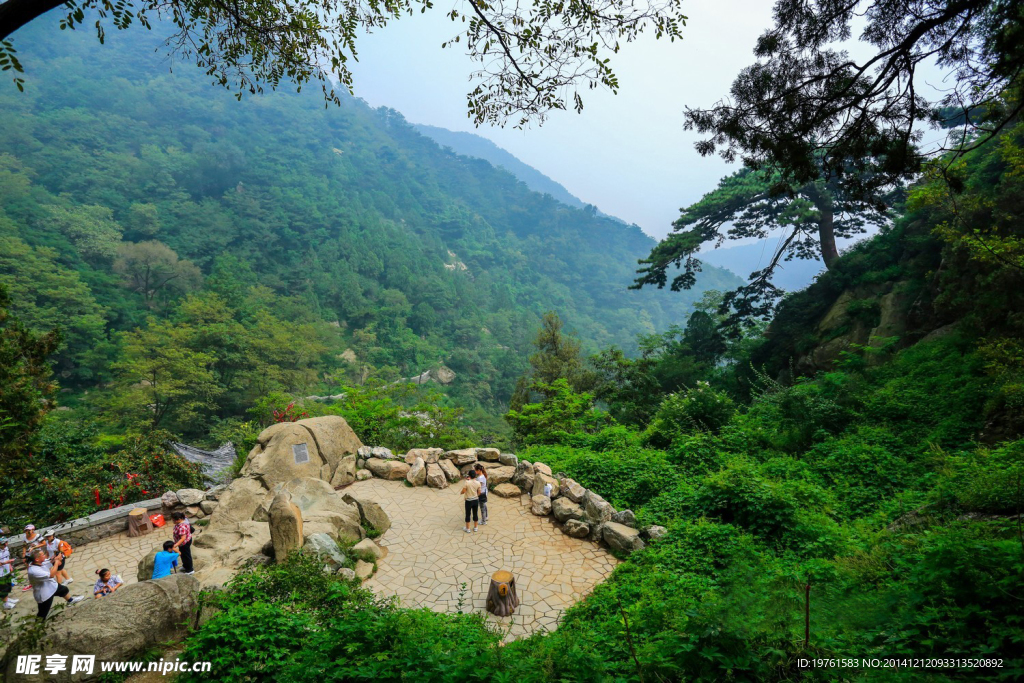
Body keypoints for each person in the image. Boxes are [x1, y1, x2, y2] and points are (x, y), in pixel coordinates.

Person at [27, 548, 83, 619]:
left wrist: (55, 559)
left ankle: (70, 600)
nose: (45, 555)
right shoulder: (34, 571)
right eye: (42, 555)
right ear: (37, 559)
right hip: (44, 594)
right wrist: (56, 562)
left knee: (63, 590)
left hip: (51, 586)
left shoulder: (38, 563)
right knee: (42, 613)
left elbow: (49, 562)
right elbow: (51, 575)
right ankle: (38, 626)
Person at [20, 524, 45, 592]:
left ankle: (43, 580)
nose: (27, 532)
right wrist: (24, 556)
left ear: (33, 530)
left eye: (29, 530)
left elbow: (43, 543)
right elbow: (24, 546)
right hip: (29, 555)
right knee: (29, 569)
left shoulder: (37, 536)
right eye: (26, 530)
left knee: (40, 567)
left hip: (37, 554)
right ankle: (31, 583)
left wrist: (34, 547)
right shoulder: (25, 537)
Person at [0, 537, 18, 609]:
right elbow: (6, 561)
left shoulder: (6, 549)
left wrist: (10, 566)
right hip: (0, 574)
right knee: (3, 589)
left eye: (6, 543)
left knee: (8, 586)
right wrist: (5, 562)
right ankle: (5, 604)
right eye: (3, 544)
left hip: (6, 571)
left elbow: (7, 558)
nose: (5, 545)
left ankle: (7, 599)